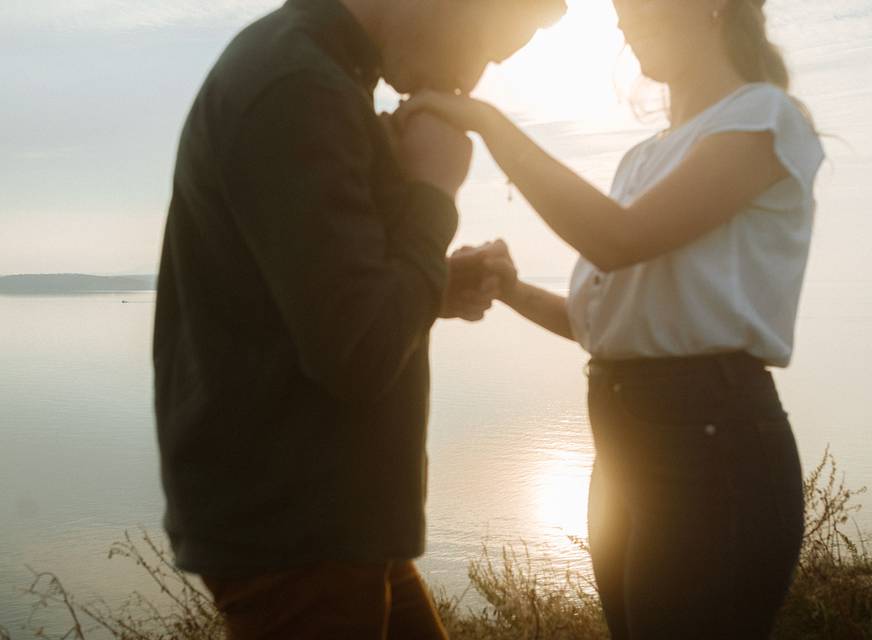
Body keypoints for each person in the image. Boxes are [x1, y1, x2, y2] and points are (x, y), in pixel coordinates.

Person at [398, 0, 825, 637]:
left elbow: (617, 239)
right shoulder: (642, 158)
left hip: (713, 448)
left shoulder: (766, 118)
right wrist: (513, 291)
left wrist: (486, 121)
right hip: (625, 444)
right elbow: (608, 327)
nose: (623, 19)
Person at [152, 0, 566, 637]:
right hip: (301, 532)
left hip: (331, 516)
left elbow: (317, 304)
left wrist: (433, 282)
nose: (472, 79)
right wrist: (433, 195)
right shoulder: (300, 88)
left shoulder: (316, 71)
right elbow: (360, 353)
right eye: (485, 46)